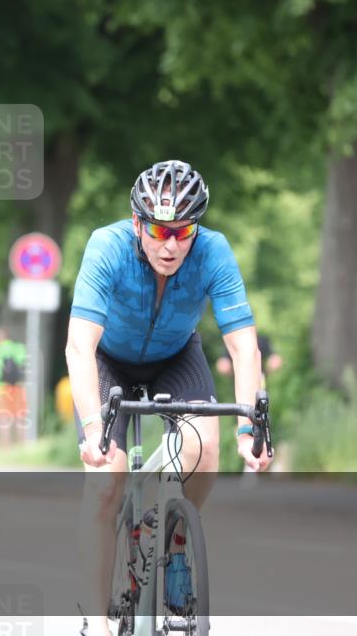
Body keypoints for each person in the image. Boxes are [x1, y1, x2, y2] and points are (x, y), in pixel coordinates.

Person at [66, 160, 270, 636]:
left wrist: (249, 430)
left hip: (176, 356)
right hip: (109, 360)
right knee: (104, 482)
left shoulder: (214, 251)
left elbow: (243, 346)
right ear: (138, 222)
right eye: (159, 230)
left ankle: (175, 536)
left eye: (184, 231)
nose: (171, 243)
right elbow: (80, 346)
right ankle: (96, 621)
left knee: (205, 449)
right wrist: (94, 432)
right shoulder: (107, 246)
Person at [216, 332, 283, 386]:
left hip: (259, 379)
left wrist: (266, 372)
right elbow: (223, 365)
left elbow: (275, 359)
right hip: (239, 381)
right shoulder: (232, 342)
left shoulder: (261, 340)